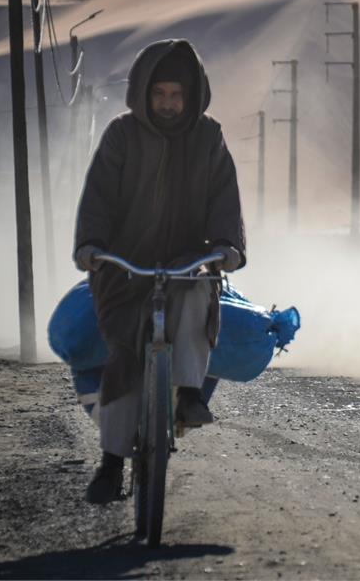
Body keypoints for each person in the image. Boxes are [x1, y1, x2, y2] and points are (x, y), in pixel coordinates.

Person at [73, 39, 246, 505]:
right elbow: (99, 197)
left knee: (195, 300)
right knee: (125, 358)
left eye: (176, 95)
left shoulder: (209, 137)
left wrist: (227, 246)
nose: (168, 103)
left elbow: (223, 198)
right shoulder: (121, 136)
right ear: (144, 94)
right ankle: (110, 463)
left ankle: (189, 393)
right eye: (160, 94)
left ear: (191, 96)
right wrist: (90, 245)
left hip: (189, 261)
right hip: (124, 268)